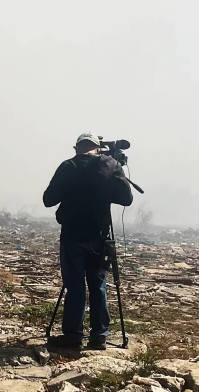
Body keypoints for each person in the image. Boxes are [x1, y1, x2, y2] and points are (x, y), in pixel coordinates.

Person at [43, 133, 133, 349]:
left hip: (72, 234)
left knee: (75, 286)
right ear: (97, 148)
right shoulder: (110, 165)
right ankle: (99, 336)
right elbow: (126, 199)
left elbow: (48, 199)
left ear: (77, 148)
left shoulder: (68, 166)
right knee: (98, 284)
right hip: (99, 235)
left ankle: (73, 336)